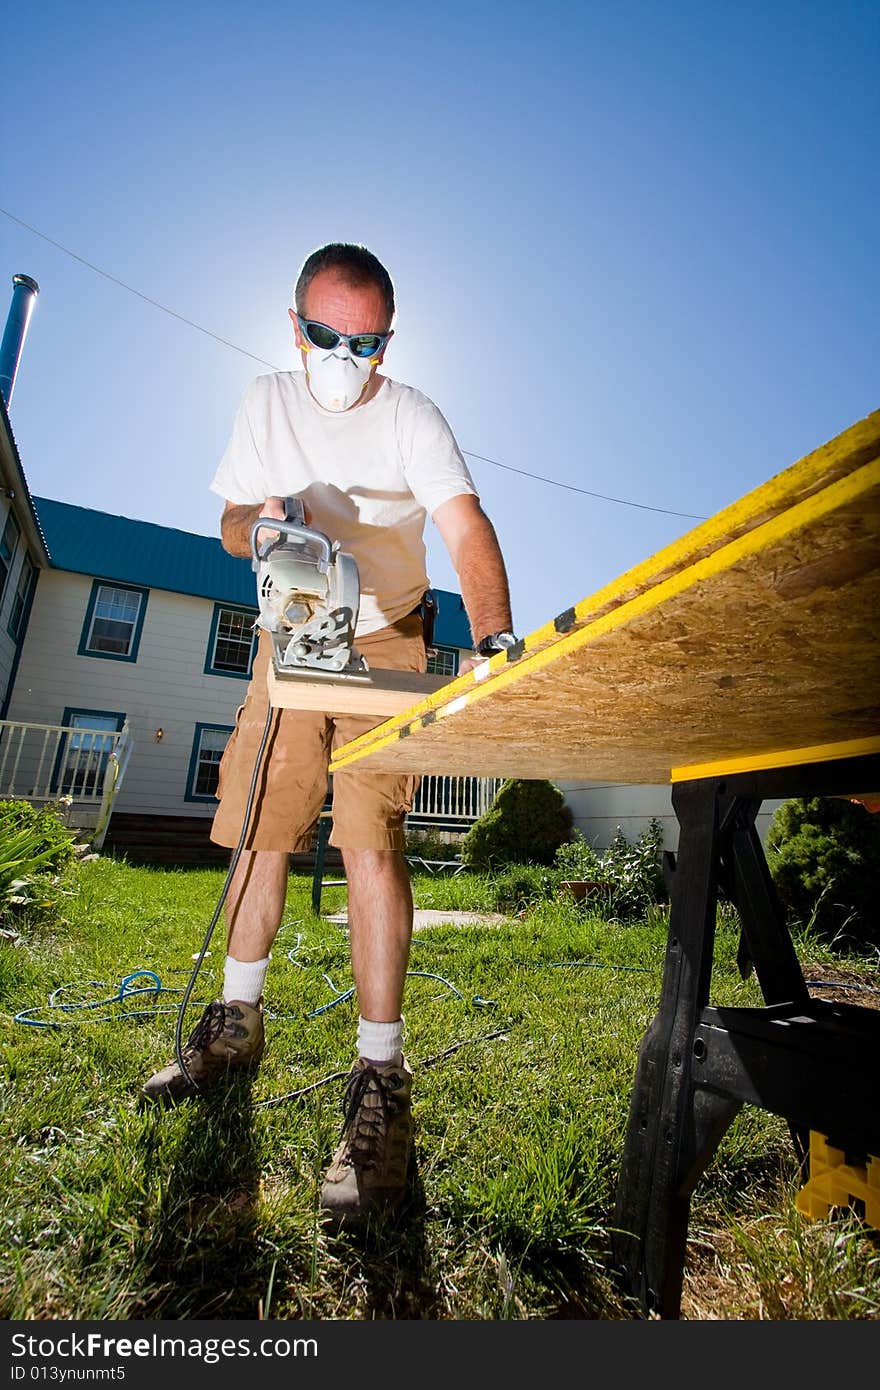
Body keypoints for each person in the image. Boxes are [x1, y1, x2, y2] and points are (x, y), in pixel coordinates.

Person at [141, 242, 516, 1226]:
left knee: (365, 837)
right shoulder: (267, 400)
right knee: (264, 825)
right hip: (299, 616)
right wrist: (259, 520)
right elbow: (228, 520)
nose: (341, 355)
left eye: (362, 340)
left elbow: (466, 523)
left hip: (388, 633)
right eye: (323, 334)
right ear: (293, 326)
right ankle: (232, 1024)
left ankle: (380, 1084)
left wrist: (493, 635)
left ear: (385, 342)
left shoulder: (412, 415)